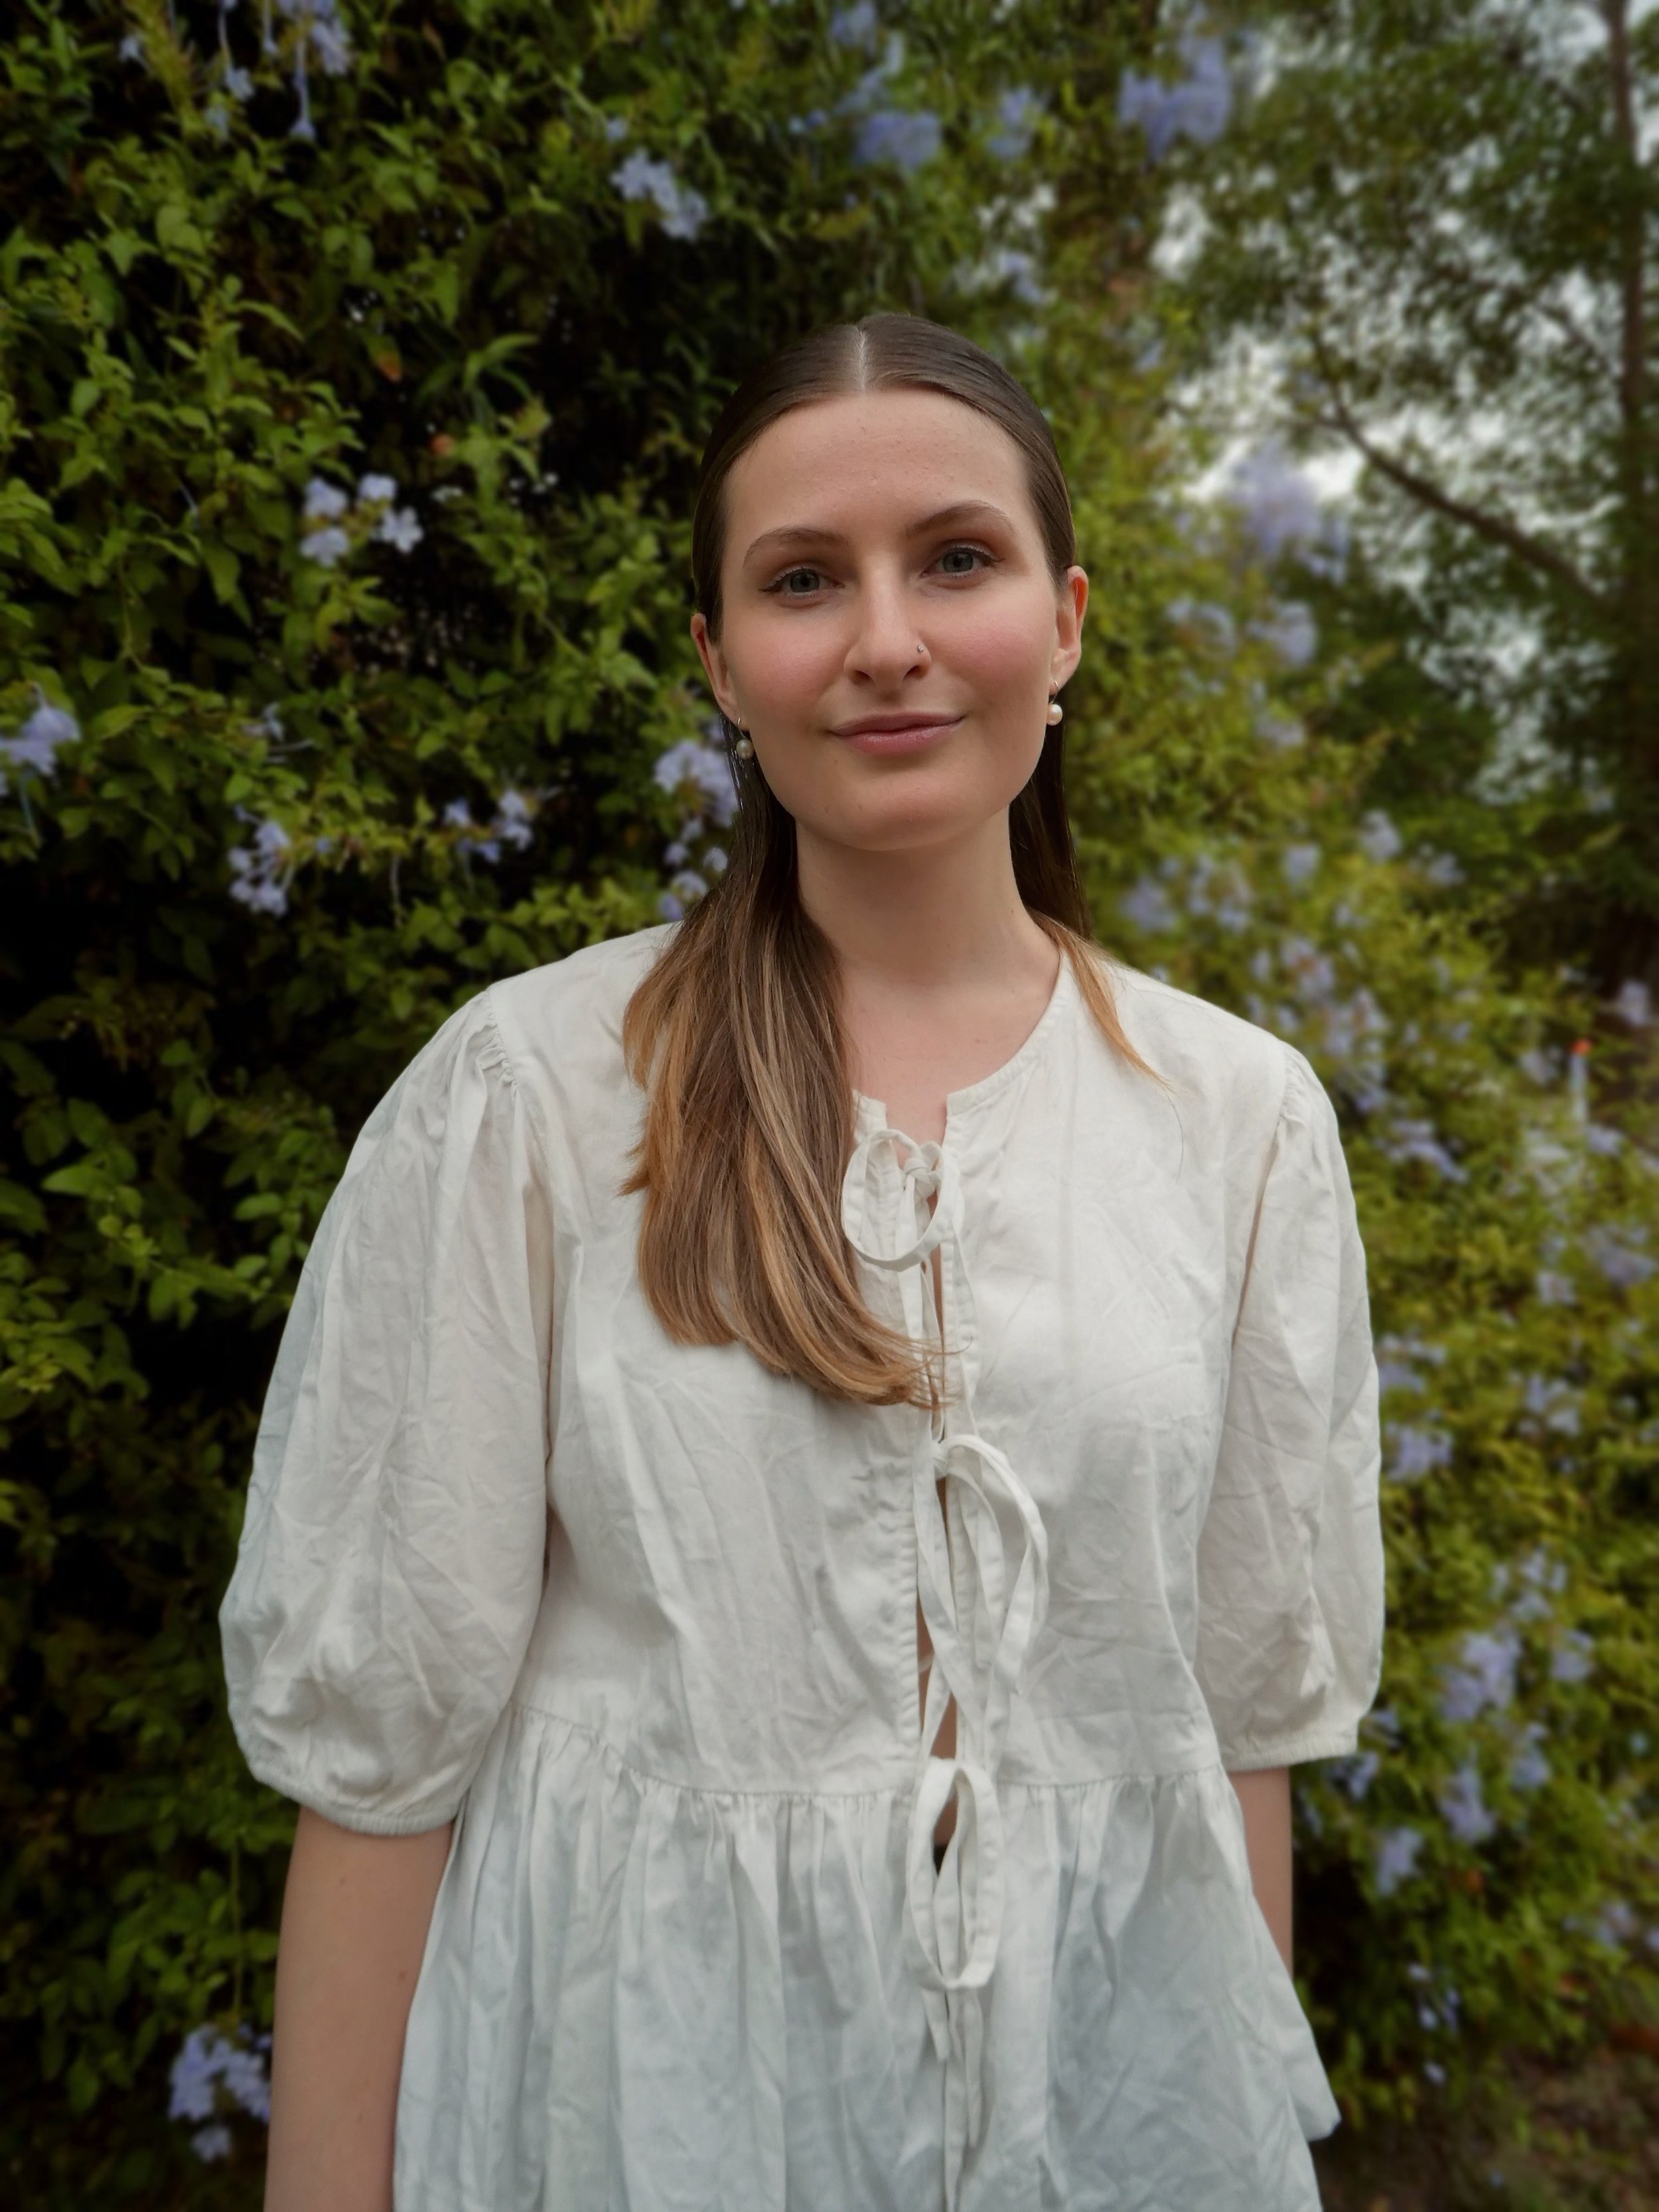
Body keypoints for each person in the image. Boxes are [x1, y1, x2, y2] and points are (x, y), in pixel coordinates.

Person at [221, 311, 1385, 2212]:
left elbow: (1232, 1730)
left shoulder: (1235, 1121)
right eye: (802, 580)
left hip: (1102, 2116)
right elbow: (380, 1757)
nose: (885, 639)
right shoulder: (533, 1097)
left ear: (1065, 622)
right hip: (641, 2109)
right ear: (718, 661)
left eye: (955, 558)